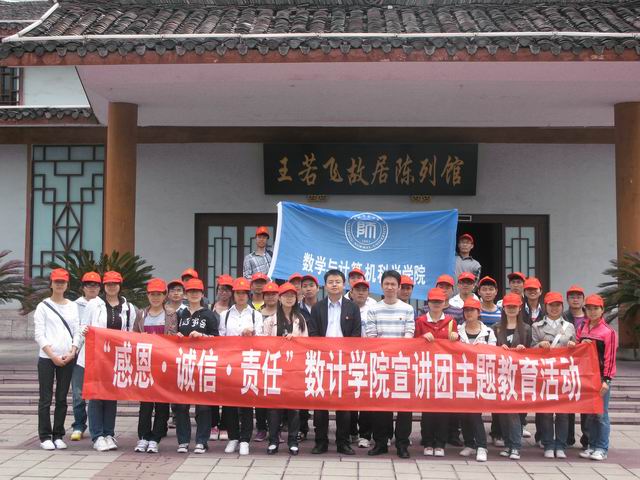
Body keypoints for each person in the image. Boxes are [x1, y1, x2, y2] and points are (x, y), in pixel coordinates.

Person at [308, 269, 361, 456]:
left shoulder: (352, 307)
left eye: (338, 281)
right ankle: (320, 442)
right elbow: (313, 334)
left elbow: (356, 334)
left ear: (344, 284)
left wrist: (344, 352)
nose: (334, 285)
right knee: (321, 404)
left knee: (343, 404)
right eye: (330, 282)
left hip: (344, 360)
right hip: (323, 360)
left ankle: (343, 442)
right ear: (325, 285)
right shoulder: (317, 307)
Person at [85, 270, 137, 452]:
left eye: (115, 284)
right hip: (97, 355)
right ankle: (97, 435)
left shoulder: (128, 307)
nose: (112, 287)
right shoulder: (94, 304)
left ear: (120, 285)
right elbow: (84, 326)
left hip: (117, 357)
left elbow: (131, 332)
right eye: (108, 284)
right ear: (104, 286)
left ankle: (108, 433)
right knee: (96, 395)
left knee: (111, 396)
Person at [366, 270, 415, 459]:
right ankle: (380, 442)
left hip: (402, 364)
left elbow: (409, 334)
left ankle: (402, 443)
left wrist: (397, 354)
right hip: (381, 363)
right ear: (381, 286)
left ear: (399, 286)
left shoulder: (407, 309)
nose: (389, 287)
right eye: (386, 284)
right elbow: (371, 336)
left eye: (393, 284)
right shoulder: (374, 309)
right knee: (381, 405)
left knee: (404, 407)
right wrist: (385, 355)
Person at [34, 268, 82, 450]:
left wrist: (73, 351)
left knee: (62, 398)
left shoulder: (72, 306)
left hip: (67, 357)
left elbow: (77, 330)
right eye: (57, 282)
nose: (60, 285)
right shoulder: (43, 306)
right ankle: (45, 436)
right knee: (45, 398)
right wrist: (52, 355)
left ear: (67, 284)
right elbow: (39, 334)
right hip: (47, 358)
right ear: (51, 284)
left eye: (63, 282)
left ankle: (58, 434)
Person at [132, 278, 178, 454]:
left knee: (161, 404)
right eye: (152, 294)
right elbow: (134, 336)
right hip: (145, 365)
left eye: (159, 294)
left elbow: (173, 337)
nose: (155, 297)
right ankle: (143, 436)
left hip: (163, 365)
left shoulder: (171, 314)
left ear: (164, 296)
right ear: (147, 295)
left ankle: (155, 438)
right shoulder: (141, 314)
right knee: (145, 404)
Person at [263, 282, 308, 455]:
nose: (289, 298)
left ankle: (293, 441)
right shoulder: (270, 320)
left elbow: (306, 343)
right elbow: (264, 343)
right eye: (285, 295)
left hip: (294, 368)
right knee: (274, 407)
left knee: (294, 407)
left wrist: (295, 339)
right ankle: (273, 441)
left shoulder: (300, 319)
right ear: (279, 298)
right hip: (275, 367)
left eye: (292, 295)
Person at [175, 278, 219, 454]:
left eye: (197, 291)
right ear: (186, 294)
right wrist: (177, 337)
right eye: (190, 291)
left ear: (202, 294)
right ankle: (183, 441)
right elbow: (173, 335)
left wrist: (203, 337)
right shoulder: (181, 314)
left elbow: (217, 339)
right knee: (181, 405)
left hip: (203, 363)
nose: (194, 294)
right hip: (184, 363)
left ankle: (202, 440)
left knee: (203, 406)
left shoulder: (209, 315)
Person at [220, 277, 264, 456]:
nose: (241, 296)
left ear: (249, 295)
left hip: (248, 361)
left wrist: (252, 334)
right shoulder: (225, 315)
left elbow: (262, 338)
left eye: (244, 293)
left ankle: (245, 439)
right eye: (238, 293)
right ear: (233, 294)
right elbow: (220, 338)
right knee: (229, 402)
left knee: (246, 401)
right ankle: (233, 437)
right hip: (230, 362)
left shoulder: (255, 315)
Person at [415, 288, 459, 458]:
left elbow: (456, 346)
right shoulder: (420, 321)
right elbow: (412, 344)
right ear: (428, 303)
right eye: (433, 301)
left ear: (444, 303)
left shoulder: (451, 322)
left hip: (444, 371)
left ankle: (440, 443)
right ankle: (427, 442)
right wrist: (421, 338)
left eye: (439, 302)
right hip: (426, 370)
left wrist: (455, 337)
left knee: (443, 408)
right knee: (427, 409)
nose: (436, 304)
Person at [532, 291, 576, 459]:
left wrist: (573, 345)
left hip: (564, 373)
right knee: (546, 412)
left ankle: (561, 445)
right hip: (545, 373)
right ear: (546, 306)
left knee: (563, 412)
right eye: (551, 305)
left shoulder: (569, 327)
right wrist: (539, 346)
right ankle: (548, 444)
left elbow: (577, 350)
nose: (554, 308)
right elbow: (530, 349)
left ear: (562, 306)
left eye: (558, 305)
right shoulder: (537, 326)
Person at [577, 294, 618, 461]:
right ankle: (592, 445)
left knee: (601, 413)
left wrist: (606, 380)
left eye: (596, 308)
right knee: (591, 413)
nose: (592, 312)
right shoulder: (582, 327)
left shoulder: (608, 332)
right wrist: (579, 345)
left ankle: (601, 447)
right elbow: (578, 351)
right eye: (589, 308)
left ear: (602, 310)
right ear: (585, 310)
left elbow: (610, 358)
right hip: (586, 376)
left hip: (600, 377)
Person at [492, 293, 532, 460]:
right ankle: (508, 444)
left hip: (518, 375)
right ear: (503, 308)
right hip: (500, 374)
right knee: (503, 412)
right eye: (508, 307)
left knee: (513, 412)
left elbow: (533, 352)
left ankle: (515, 446)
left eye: (514, 307)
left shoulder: (526, 329)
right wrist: (498, 350)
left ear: (519, 308)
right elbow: (490, 349)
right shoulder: (496, 328)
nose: (511, 309)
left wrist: (524, 350)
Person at [457, 297, 495, 462]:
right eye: (466, 310)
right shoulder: (457, 331)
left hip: (480, 377)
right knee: (464, 412)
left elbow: (493, 354)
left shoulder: (488, 332)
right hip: (462, 376)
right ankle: (469, 444)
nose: (469, 313)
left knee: (475, 412)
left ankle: (481, 446)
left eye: (472, 310)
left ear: (479, 312)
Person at [70, 271, 101, 441]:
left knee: (97, 393)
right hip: (79, 354)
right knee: (78, 392)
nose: (92, 288)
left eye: (95, 285)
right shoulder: (73, 306)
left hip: (99, 355)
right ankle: (79, 425)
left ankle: (99, 427)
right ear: (83, 287)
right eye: (89, 285)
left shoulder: (102, 305)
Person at [348, 278, 374, 448]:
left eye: (364, 290)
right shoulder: (345, 307)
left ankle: (365, 434)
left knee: (366, 397)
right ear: (351, 292)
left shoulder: (374, 308)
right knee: (350, 396)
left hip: (369, 357)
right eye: (357, 289)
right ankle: (351, 431)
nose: (361, 292)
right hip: (349, 357)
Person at [209, 274, 234, 442]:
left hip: (230, 355)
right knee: (212, 390)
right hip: (212, 354)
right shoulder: (210, 308)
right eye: (221, 289)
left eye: (227, 290)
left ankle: (225, 425)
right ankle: (213, 424)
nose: (223, 293)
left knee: (227, 391)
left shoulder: (234, 310)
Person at [564, 284, 587, 448]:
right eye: (572, 297)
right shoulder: (563, 317)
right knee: (568, 402)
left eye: (578, 297)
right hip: (567, 365)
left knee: (586, 403)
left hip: (586, 366)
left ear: (583, 299)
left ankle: (587, 439)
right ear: (567, 300)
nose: (575, 299)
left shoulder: (591, 317)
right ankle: (568, 438)